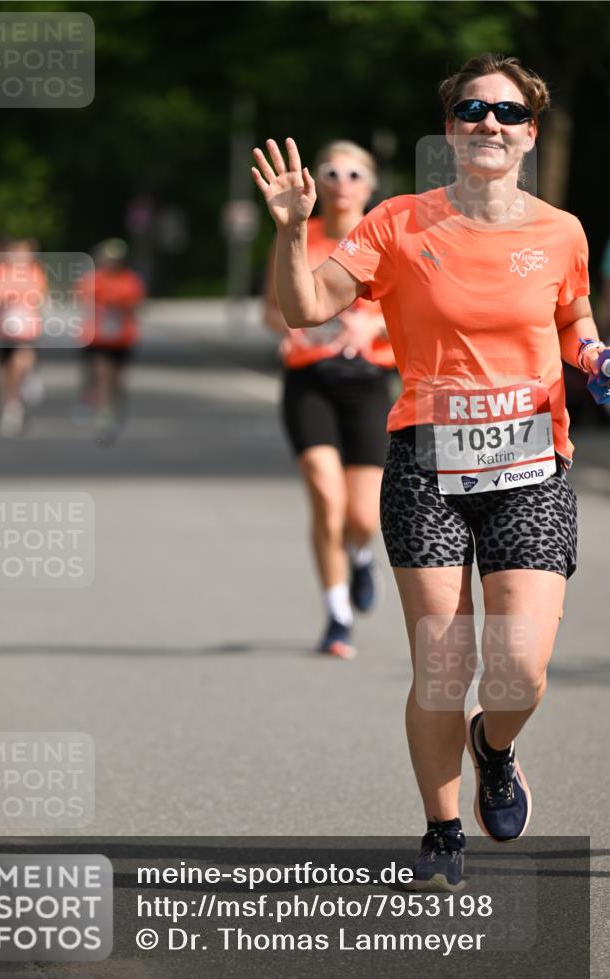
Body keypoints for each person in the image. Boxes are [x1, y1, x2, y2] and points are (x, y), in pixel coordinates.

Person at [252, 53, 605, 890]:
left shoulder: (560, 230)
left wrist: (591, 350)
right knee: (442, 665)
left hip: (529, 459)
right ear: (449, 129)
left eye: (508, 113)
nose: (490, 123)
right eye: (473, 110)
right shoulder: (395, 223)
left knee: (520, 667)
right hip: (426, 461)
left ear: (528, 134)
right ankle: (442, 827)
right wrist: (285, 230)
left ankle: (494, 745)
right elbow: (305, 309)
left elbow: (572, 314)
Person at [263, 141, 397, 659]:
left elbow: (414, 302)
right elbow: (272, 310)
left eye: (354, 172)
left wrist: (371, 321)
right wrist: (294, 329)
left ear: (370, 184)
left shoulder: (388, 236)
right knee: (325, 496)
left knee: (362, 517)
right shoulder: (297, 235)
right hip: (310, 379)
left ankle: (361, 555)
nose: (342, 181)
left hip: (368, 381)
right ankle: (337, 616)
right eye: (331, 171)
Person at [75, 238, 145, 444]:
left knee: (117, 379)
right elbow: (84, 301)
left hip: (121, 337)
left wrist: (120, 305)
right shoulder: (93, 280)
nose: (112, 263)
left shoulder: (129, 280)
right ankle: (103, 415)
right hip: (98, 337)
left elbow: (136, 304)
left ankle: (113, 406)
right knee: (101, 374)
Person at [0, 239, 48, 437]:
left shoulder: (35, 273)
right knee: (7, 371)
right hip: (5, 330)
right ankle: (10, 405)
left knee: (20, 362)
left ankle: (24, 386)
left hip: (26, 330)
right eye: (16, 253)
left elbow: (40, 298)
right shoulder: (1, 273)